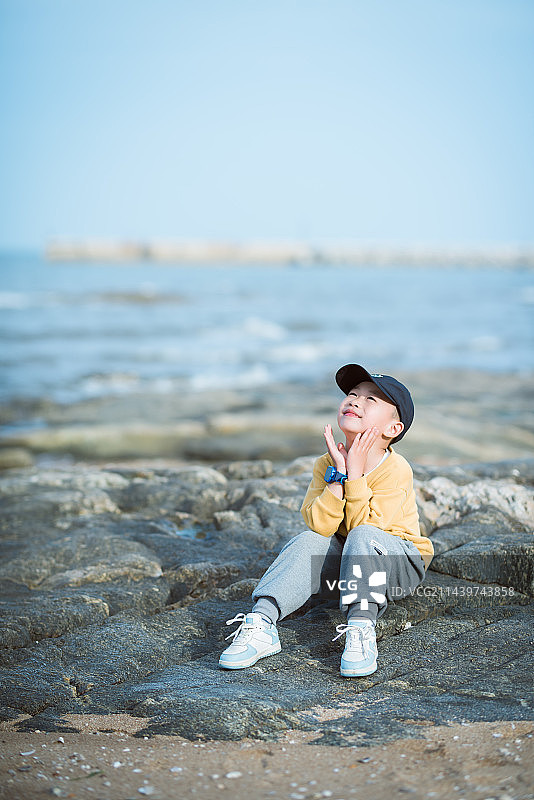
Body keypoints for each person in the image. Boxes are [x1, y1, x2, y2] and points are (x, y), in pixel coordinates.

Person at [219, 363, 434, 677]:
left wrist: (357, 476)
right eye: (352, 394)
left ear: (393, 429)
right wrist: (338, 476)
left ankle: (361, 628)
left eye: (371, 399)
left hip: (397, 562)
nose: (355, 401)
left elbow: (366, 529)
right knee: (308, 540)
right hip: (348, 567)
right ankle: (262, 623)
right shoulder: (328, 463)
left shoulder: (396, 468)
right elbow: (319, 527)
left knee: (361, 536)